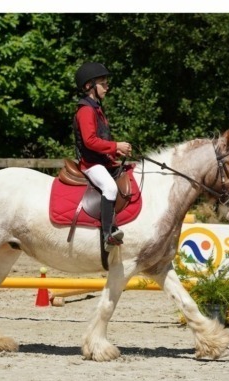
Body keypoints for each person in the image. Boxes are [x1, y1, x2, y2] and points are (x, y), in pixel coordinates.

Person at [73, 62, 132, 251]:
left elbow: (100, 140)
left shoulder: (97, 109)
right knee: (110, 188)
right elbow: (90, 141)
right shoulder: (86, 110)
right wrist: (115, 146)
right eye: (103, 83)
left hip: (102, 161)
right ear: (89, 86)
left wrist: (116, 151)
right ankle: (108, 234)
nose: (107, 87)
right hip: (91, 164)